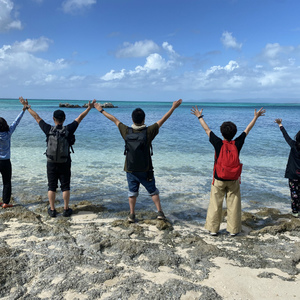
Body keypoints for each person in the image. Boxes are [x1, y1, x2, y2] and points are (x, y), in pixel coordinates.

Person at [94, 99, 182, 223]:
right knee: (153, 191)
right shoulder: (149, 132)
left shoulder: (126, 131)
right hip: (146, 169)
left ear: (132, 119)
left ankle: (131, 214)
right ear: (144, 119)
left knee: (132, 192)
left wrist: (101, 110)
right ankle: (160, 213)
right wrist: (173, 108)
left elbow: (114, 119)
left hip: (130, 169)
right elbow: (163, 120)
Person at [191, 106, 265, 236]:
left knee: (215, 204)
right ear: (235, 133)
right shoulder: (238, 143)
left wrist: (199, 116)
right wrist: (255, 117)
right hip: (233, 179)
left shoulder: (218, 142)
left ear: (221, 132)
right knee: (234, 204)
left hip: (218, 178)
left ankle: (213, 229)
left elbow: (207, 129)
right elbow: (247, 129)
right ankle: (233, 230)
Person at [20, 97, 95, 217]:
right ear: (64, 119)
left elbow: (36, 117)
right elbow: (80, 118)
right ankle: (66, 209)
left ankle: (52, 210)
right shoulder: (68, 129)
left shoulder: (48, 129)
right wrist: (89, 108)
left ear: (53, 119)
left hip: (51, 162)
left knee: (51, 186)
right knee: (65, 186)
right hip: (65, 161)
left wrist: (27, 107)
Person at [0, 100, 28, 208]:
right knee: (7, 182)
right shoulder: (8, 133)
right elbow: (16, 122)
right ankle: (5, 203)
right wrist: (23, 110)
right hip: (6, 162)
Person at [274, 118, 300, 217]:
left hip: (293, 174)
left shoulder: (293, 145)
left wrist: (280, 124)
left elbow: (286, 136)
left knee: (294, 193)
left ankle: (295, 212)